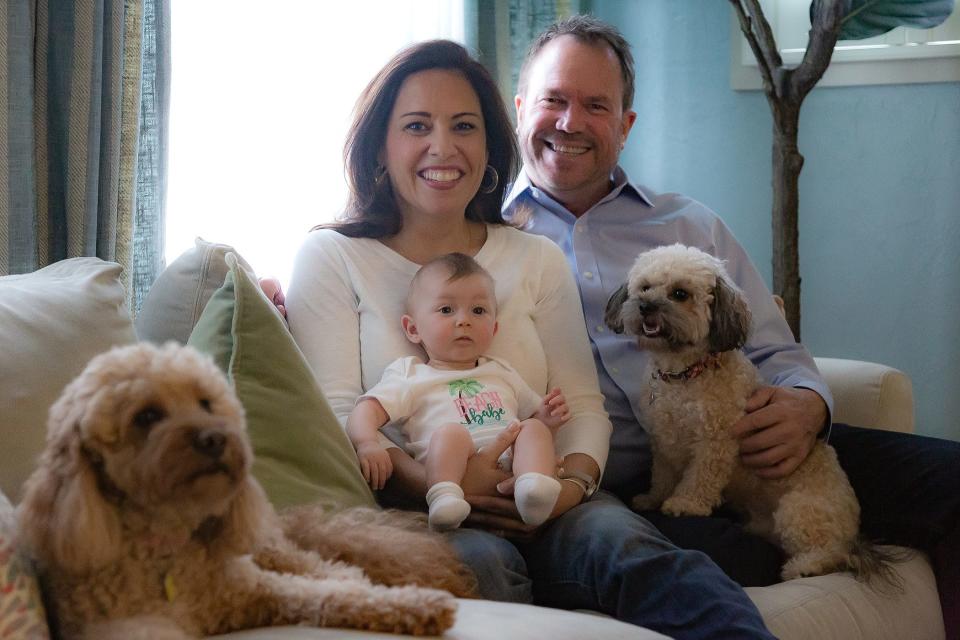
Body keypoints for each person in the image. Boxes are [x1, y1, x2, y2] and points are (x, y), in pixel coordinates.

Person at [281, 38, 778, 639]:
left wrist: (569, 488)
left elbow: (583, 405)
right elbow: (337, 417)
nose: (443, 146)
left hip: (558, 497)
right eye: (417, 125)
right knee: (483, 568)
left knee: (646, 557)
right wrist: (443, 485)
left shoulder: (535, 256)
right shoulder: (334, 257)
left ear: (490, 145)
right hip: (428, 512)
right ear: (380, 147)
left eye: (464, 126)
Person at [499, 14, 959, 636]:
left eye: (596, 105)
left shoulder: (688, 223)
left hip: (757, 442)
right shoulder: (488, 241)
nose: (571, 122)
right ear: (522, 106)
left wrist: (806, 405)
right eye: (554, 100)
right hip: (622, 480)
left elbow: (773, 346)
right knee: (725, 553)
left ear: (626, 126)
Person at [347, 252, 569, 530]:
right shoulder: (411, 375)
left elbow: (533, 417)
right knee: (451, 433)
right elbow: (365, 409)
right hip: (454, 469)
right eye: (446, 310)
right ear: (413, 329)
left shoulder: (502, 370)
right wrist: (367, 443)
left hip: (511, 469)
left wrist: (547, 420)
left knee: (532, 430)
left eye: (478, 311)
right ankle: (445, 497)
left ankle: (533, 491)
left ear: (494, 328)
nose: (464, 320)